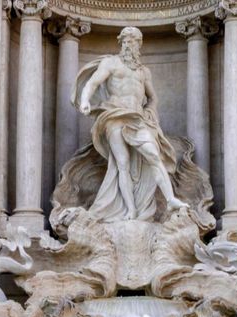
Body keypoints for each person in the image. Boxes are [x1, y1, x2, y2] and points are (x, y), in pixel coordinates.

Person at [74, 27, 188, 222]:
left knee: (154, 155)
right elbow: (92, 84)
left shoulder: (144, 72)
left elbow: (152, 98)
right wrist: (85, 100)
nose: (128, 45)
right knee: (123, 164)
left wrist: (150, 112)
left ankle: (170, 199)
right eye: (125, 41)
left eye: (132, 41)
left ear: (139, 45)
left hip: (137, 119)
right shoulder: (111, 63)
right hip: (114, 116)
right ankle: (130, 210)